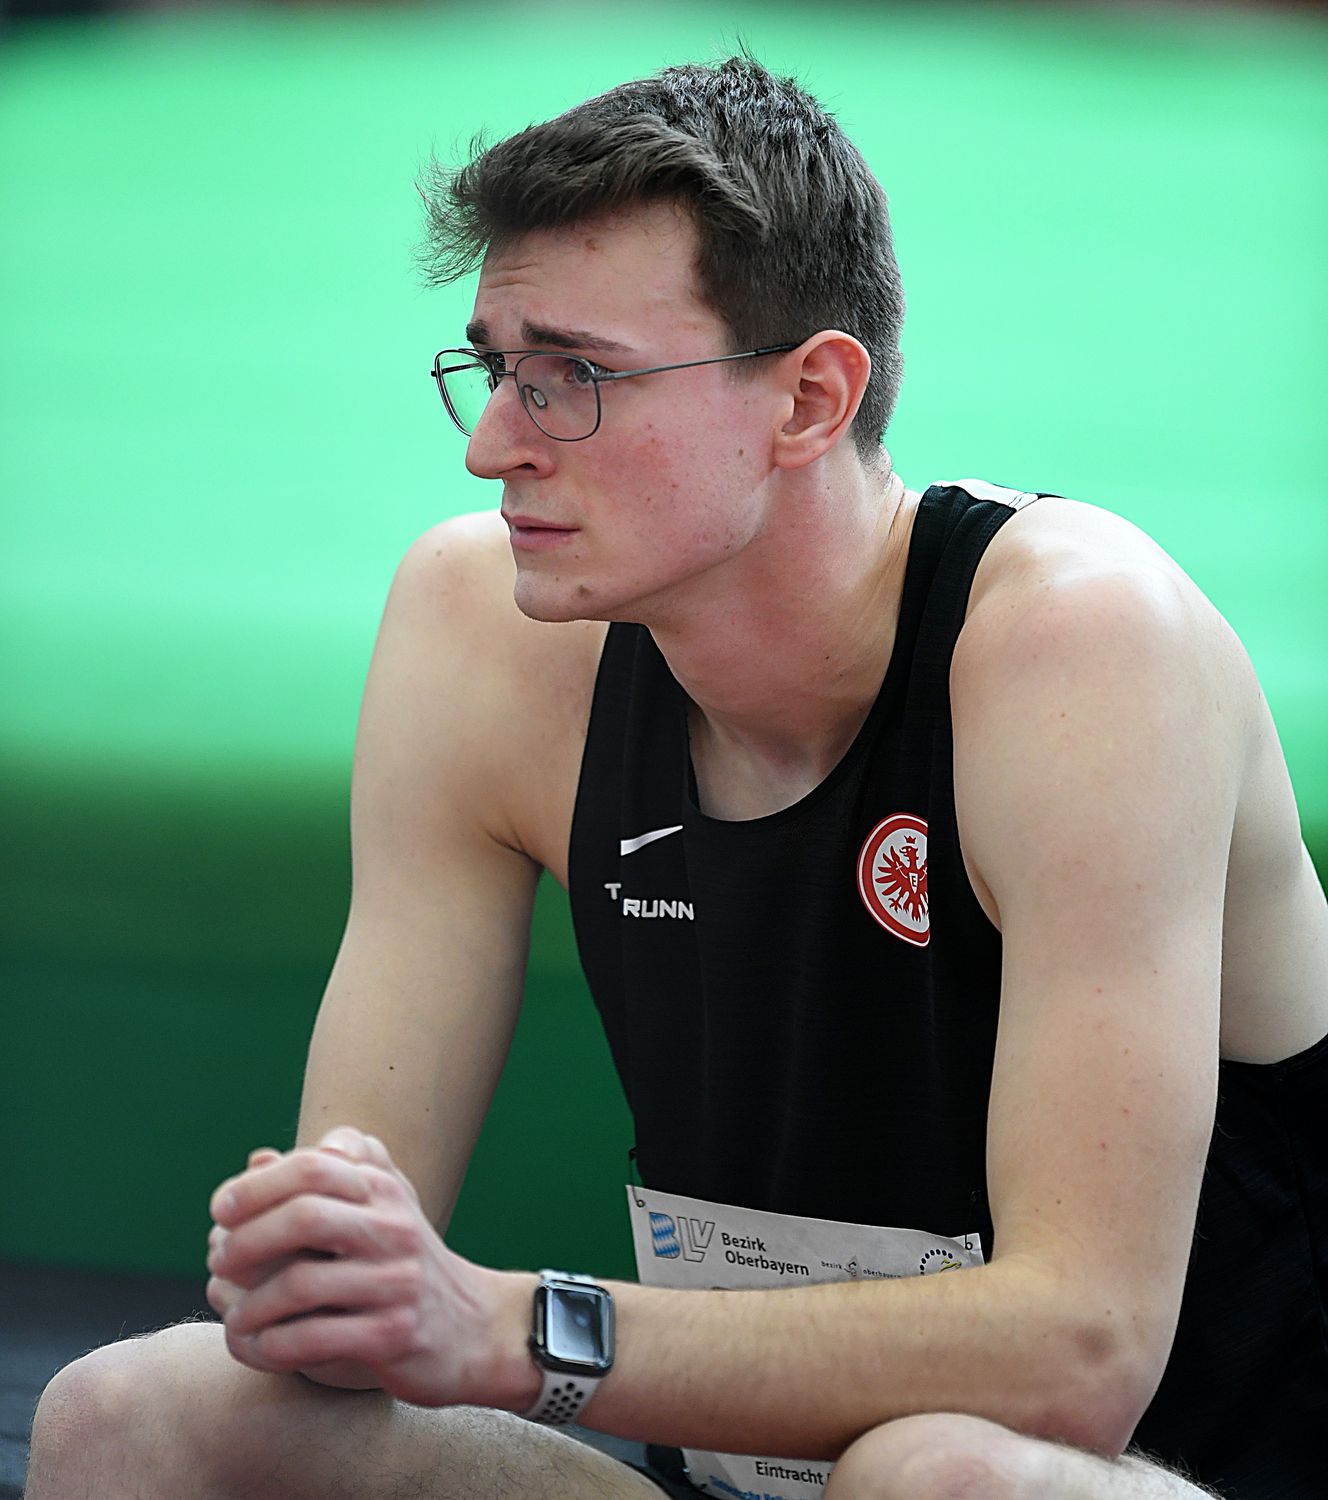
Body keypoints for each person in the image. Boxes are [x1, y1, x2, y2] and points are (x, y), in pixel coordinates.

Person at [26, 55, 1327, 1500]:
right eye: (496, 369)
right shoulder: (481, 630)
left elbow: (1079, 1354)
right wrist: (317, 1264)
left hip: (1143, 1474)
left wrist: (517, 1328)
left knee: (933, 1475)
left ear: (808, 400)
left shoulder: (1083, 645)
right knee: (131, 1416)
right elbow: (347, 1261)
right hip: (727, 1479)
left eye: (573, 379)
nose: (492, 447)